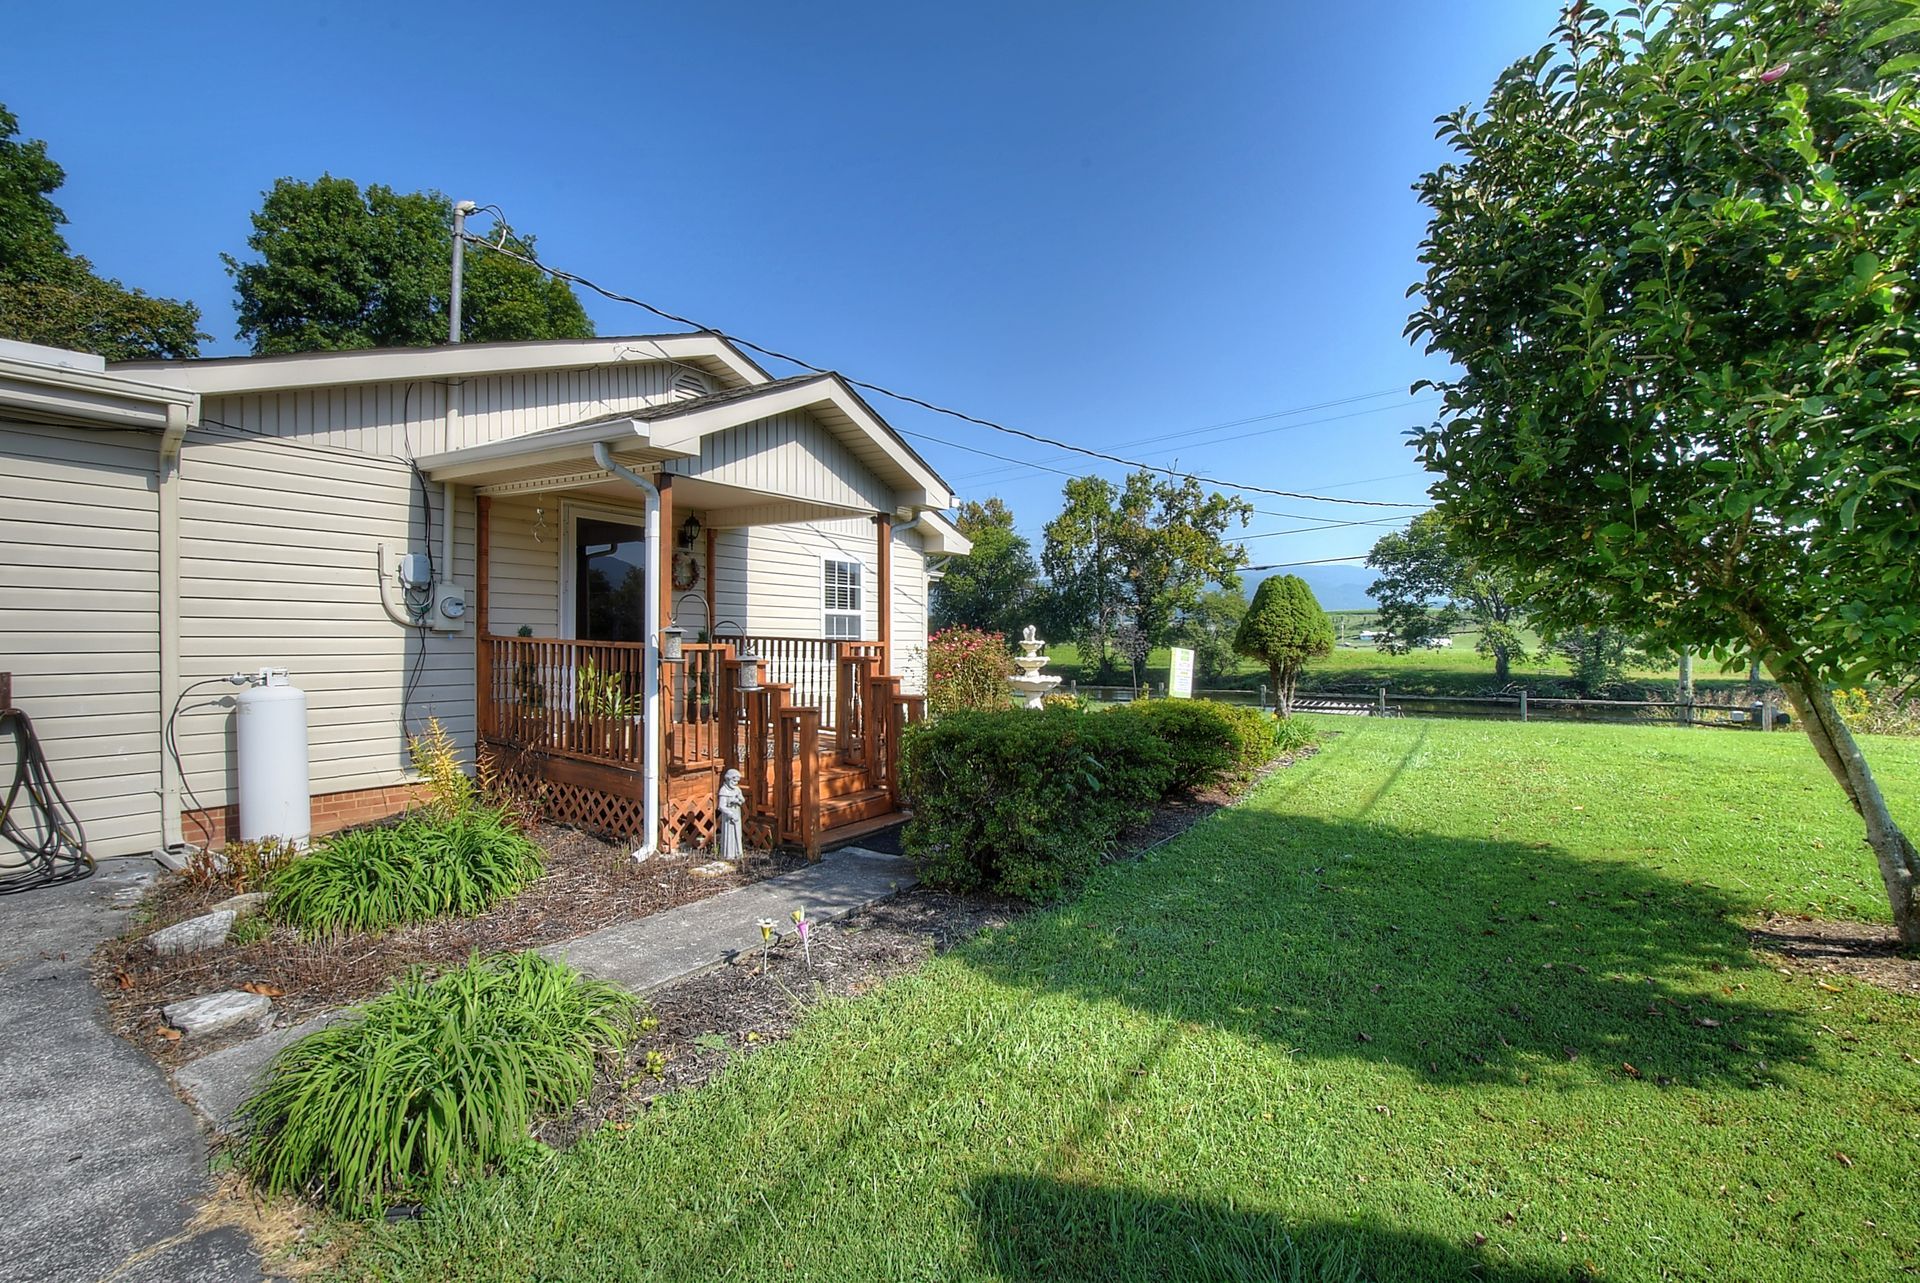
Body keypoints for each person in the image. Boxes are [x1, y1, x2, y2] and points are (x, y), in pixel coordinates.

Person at [716, 767, 744, 859]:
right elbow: (721, 806)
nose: (735, 783)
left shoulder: (737, 789)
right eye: (734, 781)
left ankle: (738, 853)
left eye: (737, 781)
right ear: (728, 779)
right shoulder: (724, 790)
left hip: (737, 813)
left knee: (737, 834)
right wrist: (730, 814)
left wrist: (738, 800)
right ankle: (729, 855)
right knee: (729, 834)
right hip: (729, 816)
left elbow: (742, 800)